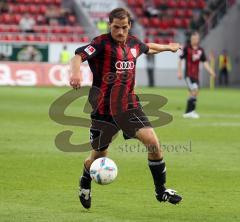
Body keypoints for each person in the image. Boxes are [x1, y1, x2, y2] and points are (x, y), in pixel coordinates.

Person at [70, 8, 182, 209]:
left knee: (153, 143)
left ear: (129, 25)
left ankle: (161, 191)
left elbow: (148, 47)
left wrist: (168, 47)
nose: (120, 32)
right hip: (103, 110)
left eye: (124, 27)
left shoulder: (133, 43)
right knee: (98, 157)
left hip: (129, 106)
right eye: (116, 27)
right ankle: (85, 180)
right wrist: (76, 73)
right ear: (109, 25)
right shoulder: (100, 43)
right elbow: (78, 55)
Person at [178, 32, 216, 119]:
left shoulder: (200, 50)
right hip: (188, 75)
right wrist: (179, 72)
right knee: (194, 90)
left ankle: (188, 112)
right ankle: (190, 112)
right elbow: (180, 60)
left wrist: (211, 71)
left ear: (198, 40)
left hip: (196, 76)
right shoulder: (186, 48)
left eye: (196, 39)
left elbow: (205, 62)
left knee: (194, 93)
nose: (194, 40)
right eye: (193, 38)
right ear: (191, 39)